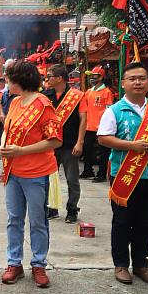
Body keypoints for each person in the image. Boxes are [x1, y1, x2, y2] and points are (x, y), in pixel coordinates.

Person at [97, 62, 148, 285]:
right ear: (123, 84)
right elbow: (103, 138)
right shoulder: (114, 110)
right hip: (124, 174)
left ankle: (142, 264)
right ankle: (121, 264)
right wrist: (133, 146)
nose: (138, 82)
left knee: (145, 222)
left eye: (142, 78)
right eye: (132, 78)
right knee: (122, 221)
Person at [0, 60, 62, 288]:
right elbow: (8, 130)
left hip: (35, 172)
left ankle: (38, 264)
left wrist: (21, 151)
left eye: (9, 78)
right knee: (14, 218)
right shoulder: (15, 103)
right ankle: (14, 263)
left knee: (37, 220)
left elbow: (54, 140)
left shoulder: (44, 105)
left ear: (20, 80)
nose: (6, 82)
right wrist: (4, 146)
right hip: (12, 171)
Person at [43, 64, 87, 223]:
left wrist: (80, 142)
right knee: (49, 178)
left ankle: (72, 209)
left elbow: (83, 119)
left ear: (60, 78)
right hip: (49, 144)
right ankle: (51, 207)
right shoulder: (46, 95)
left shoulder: (77, 96)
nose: (47, 78)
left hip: (69, 144)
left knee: (72, 179)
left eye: (50, 76)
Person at [82, 66, 114, 182]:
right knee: (87, 149)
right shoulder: (88, 92)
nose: (91, 78)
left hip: (102, 126)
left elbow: (109, 109)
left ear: (101, 77)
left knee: (103, 151)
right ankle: (87, 170)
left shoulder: (107, 92)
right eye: (91, 76)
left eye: (94, 76)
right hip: (89, 125)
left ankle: (101, 174)